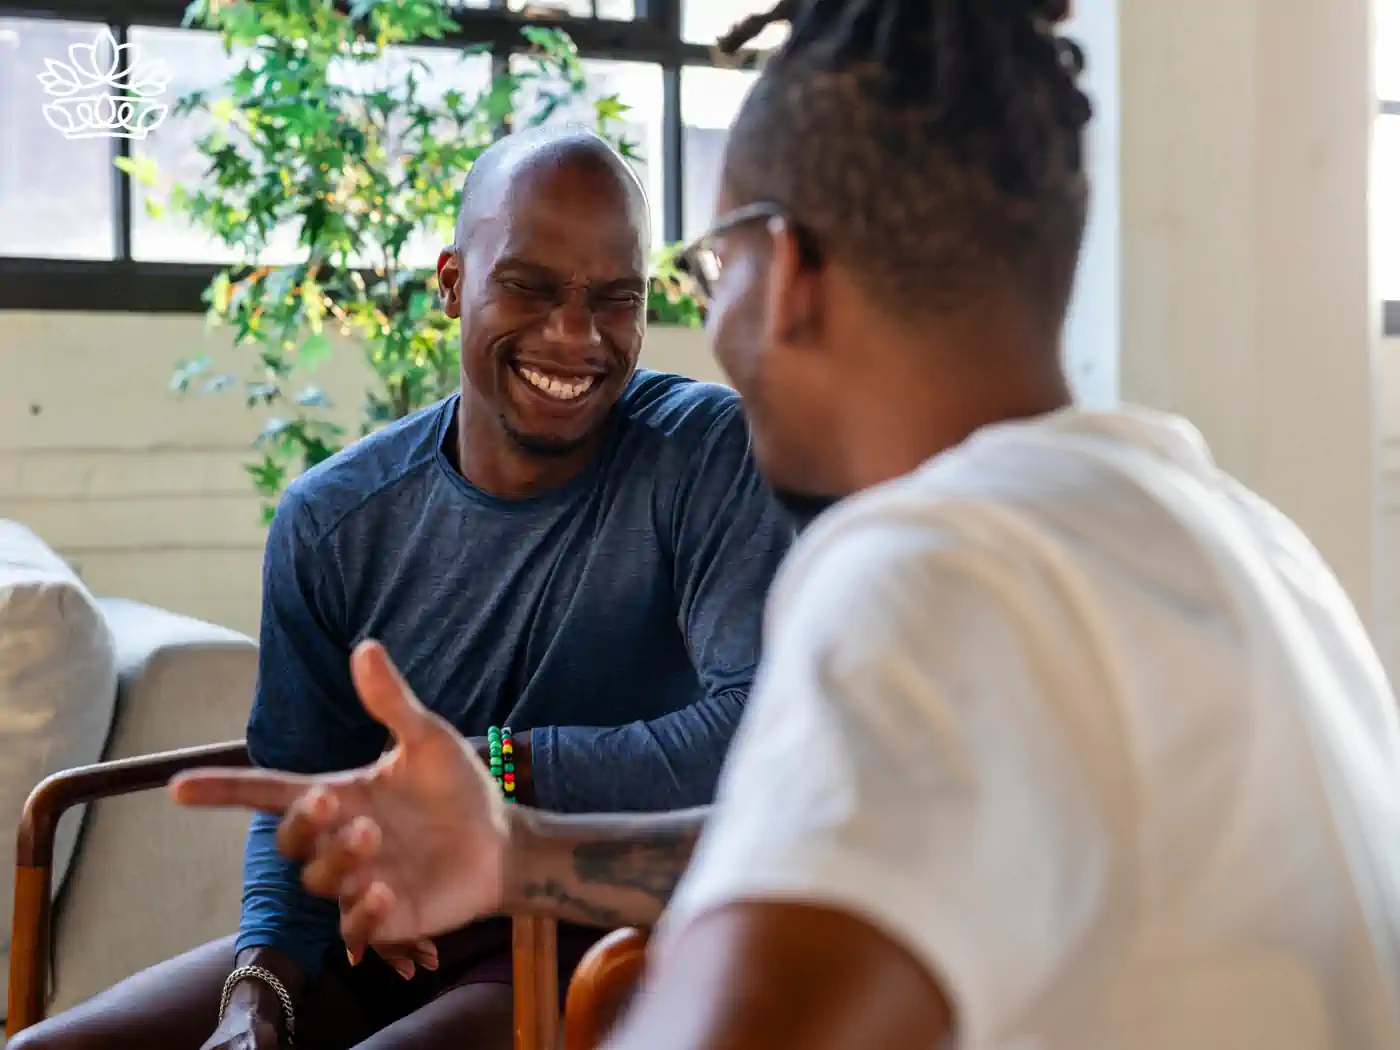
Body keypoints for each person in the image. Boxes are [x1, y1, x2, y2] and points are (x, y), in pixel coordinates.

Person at [171, 1, 1400, 1048]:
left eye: (701, 272)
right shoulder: (1233, 535)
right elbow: (858, 852)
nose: (684, 332)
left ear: (789, 266)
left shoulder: (930, 572)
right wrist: (517, 854)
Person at [9, 128, 792, 1050]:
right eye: (530, 288)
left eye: (614, 299)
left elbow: (753, 737)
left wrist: (491, 771)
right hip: (391, 936)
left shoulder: (704, 455)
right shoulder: (334, 518)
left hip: (600, 932)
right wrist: (257, 995)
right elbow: (297, 790)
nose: (576, 336)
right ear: (454, 282)